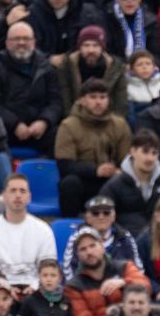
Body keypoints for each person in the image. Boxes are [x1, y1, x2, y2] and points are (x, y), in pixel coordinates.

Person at [0, 21, 63, 155]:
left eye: (26, 39)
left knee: (63, 136)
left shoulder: (46, 67)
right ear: (7, 43)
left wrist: (44, 121)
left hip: (40, 130)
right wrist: (15, 124)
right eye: (16, 39)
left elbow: (56, 101)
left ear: (34, 42)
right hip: (5, 130)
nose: (21, 43)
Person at [55, 77, 133, 217]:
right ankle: (70, 225)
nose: (98, 102)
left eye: (102, 97)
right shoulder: (68, 125)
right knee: (69, 183)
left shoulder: (120, 124)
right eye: (93, 97)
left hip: (111, 180)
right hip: (84, 181)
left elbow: (127, 159)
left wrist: (118, 171)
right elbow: (65, 165)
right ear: (82, 100)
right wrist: (95, 170)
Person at [0, 173, 57, 290]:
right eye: (13, 191)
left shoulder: (43, 230)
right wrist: (6, 288)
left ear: (29, 197)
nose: (18, 195)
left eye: (22, 191)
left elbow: (49, 267)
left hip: (36, 292)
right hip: (0, 292)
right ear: (4, 196)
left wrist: (34, 287)